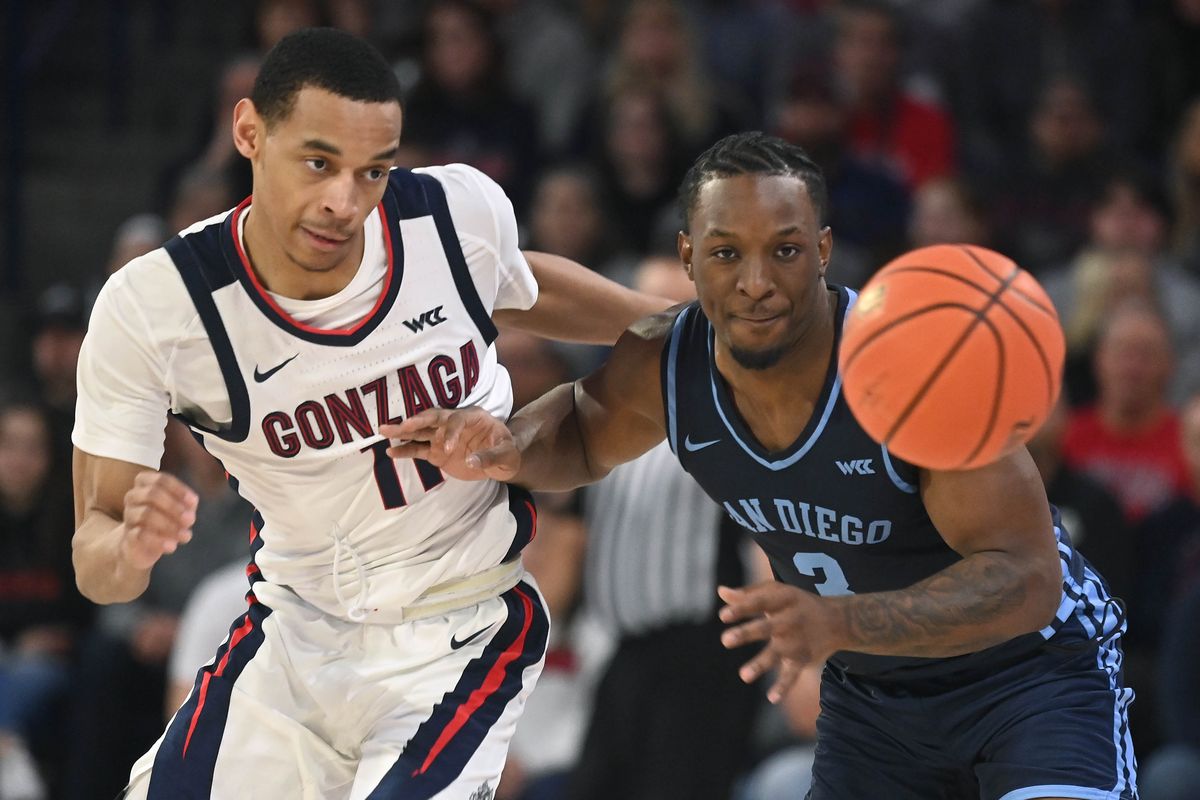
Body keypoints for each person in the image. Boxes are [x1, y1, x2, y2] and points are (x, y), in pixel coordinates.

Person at [386, 131, 1138, 800]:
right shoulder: (667, 360)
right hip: (875, 704)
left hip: (1029, 682)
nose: (755, 282)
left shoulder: (908, 361)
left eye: (783, 250)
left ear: (821, 249)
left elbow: (1028, 578)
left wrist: (840, 620)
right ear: (688, 256)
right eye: (725, 253)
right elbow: (582, 429)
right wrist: (512, 444)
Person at [71, 28, 665, 798]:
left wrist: (676, 323)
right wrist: (132, 546)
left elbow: (522, 283)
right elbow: (96, 564)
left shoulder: (451, 215)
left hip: (462, 626)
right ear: (249, 131)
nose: (344, 202)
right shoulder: (157, 308)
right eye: (318, 163)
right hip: (296, 630)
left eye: (373, 171)